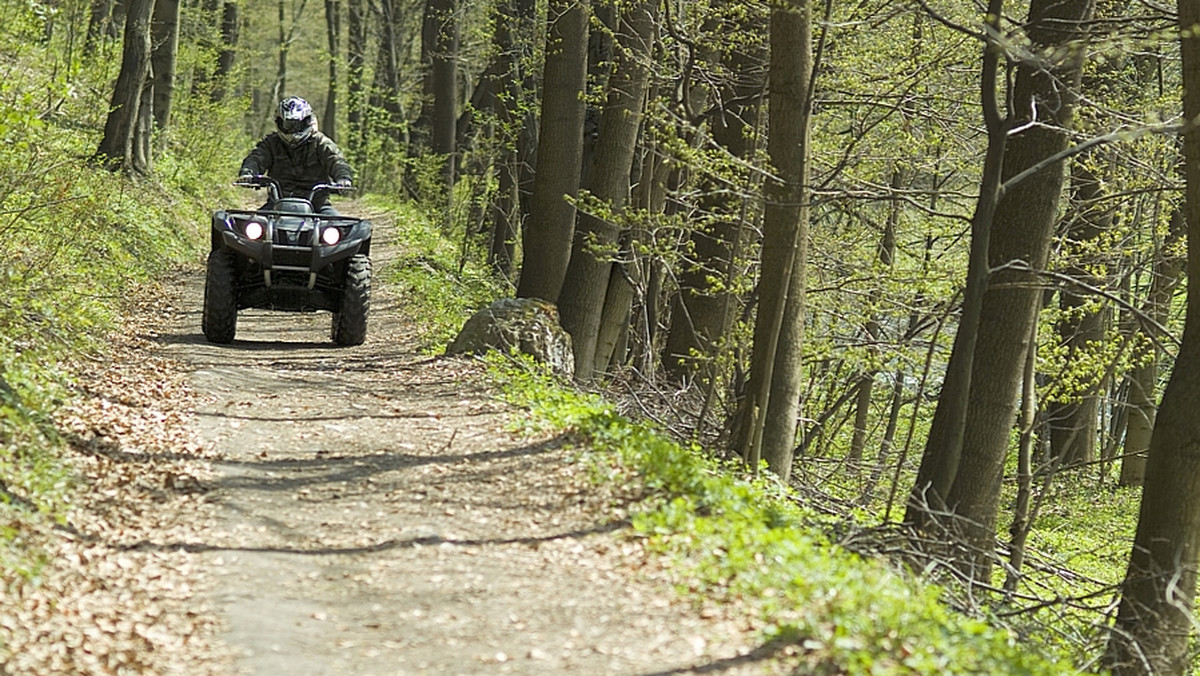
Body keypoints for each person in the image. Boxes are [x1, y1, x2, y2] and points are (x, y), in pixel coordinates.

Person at [238, 96, 353, 216]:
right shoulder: (271, 143)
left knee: (341, 229)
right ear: (279, 123)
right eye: (288, 125)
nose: (293, 130)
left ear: (307, 121)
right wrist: (248, 172)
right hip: (277, 205)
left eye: (297, 124)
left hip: (317, 205)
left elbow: (336, 160)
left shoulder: (320, 143)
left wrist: (343, 178)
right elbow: (256, 158)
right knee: (250, 227)